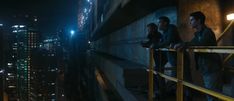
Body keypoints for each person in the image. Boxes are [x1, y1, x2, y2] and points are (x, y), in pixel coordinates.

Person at [174, 11, 223, 101]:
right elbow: (192, 42)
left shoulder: (207, 32)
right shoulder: (198, 34)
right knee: (210, 94)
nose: (190, 22)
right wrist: (182, 44)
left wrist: (184, 44)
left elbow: (200, 43)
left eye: (192, 20)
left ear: (199, 20)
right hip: (205, 67)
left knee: (212, 95)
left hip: (211, 67)